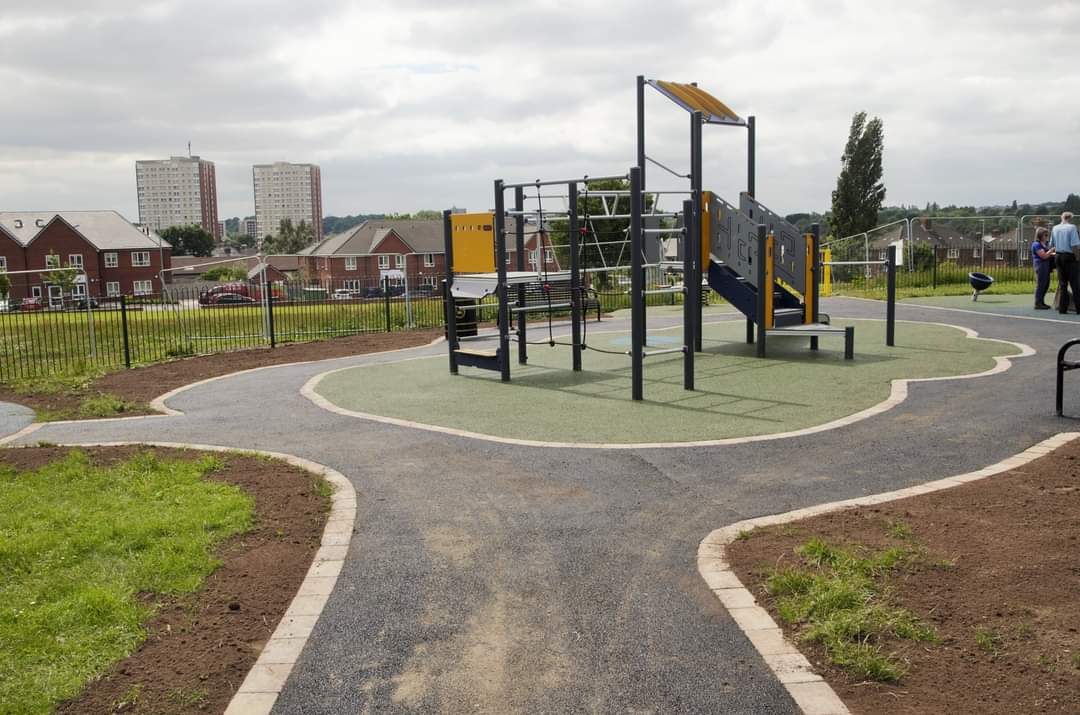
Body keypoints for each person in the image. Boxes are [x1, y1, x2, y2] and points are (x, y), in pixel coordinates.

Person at [1052, 211, 1080, 314]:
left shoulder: (1055, 228)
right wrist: (1077, 257)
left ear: (1062, 218)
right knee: (1075, 284)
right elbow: (1074, 245)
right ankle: (1078, 308)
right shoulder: (1072, 228)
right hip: (1069, 257)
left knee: (1063, 284)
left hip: (1058, 256)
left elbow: (1052, 244)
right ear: (1070, 218)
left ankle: (1062, 308)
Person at [1032, 226, 1055, 309]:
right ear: (1040, 235)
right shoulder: (1036, 244)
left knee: (1046, 284)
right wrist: (1052, 250)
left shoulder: (1044, 244)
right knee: (1041, 284)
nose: (1047, 237)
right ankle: (1037, 303)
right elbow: (1043, 256)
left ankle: (1041, 302)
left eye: (1047, 235)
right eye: (1045, 235)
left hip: (1046, 266)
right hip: (1040, 266)